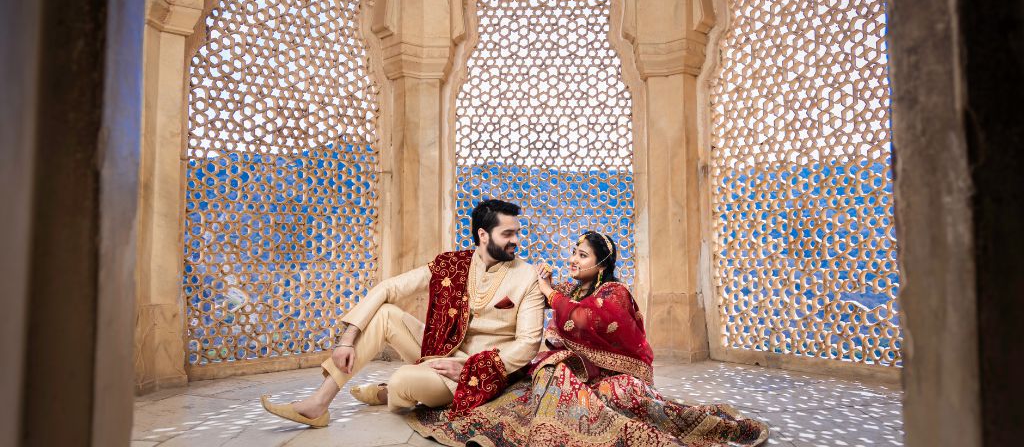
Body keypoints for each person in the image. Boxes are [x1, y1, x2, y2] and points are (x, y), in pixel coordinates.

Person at [406, 231, 769, 446]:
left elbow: (583, 318)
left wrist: (549, 293)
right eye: (574, 253)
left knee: (619, 397)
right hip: (580, 373)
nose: (573, 260)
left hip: (618, 377)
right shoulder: (571, 290)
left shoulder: (614, 292)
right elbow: (517, 305)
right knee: (544, 376)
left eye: (582, 255)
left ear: (601, 263)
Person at [261, 199, 546, 427]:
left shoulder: (527, 276)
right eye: (508, 233)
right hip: (442, 354)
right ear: (482, 235)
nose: (516, 240)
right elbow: (388, 288)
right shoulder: (452, 264)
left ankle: (389, 391)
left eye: (517, 232)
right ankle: (319, 403)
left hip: (483, 370)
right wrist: (347, 340)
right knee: (385, 313)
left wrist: (469, 368)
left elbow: (528, 344)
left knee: (402, 380)